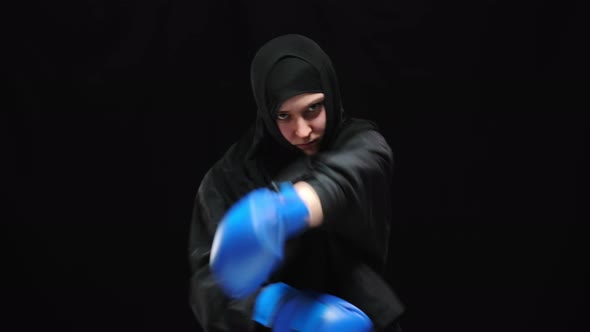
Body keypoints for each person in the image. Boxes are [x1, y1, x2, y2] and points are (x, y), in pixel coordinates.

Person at [188, 34, 404, 332]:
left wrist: (289, 208)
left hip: (363, 318)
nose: (302, 130)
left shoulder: (359, 143)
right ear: (266, 111)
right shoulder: (228, 177)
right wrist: (274, 307)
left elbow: (348, 175)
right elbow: (209, 286)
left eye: (313, 109)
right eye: (283, 115)